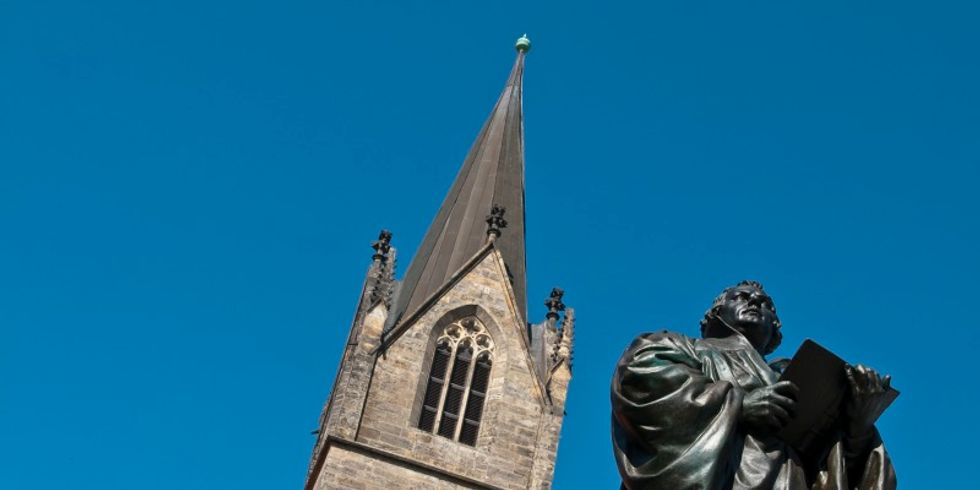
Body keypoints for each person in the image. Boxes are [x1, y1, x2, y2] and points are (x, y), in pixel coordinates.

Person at [611, 281, 896, 489]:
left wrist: (856, 427)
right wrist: (738, 405)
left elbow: (834, 475)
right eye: (741, 297)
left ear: (776, 328)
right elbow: (641, 378)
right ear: (715, 313)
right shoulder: (678, 346)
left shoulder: (789, 376)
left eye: (767, 305)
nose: (756, 302)